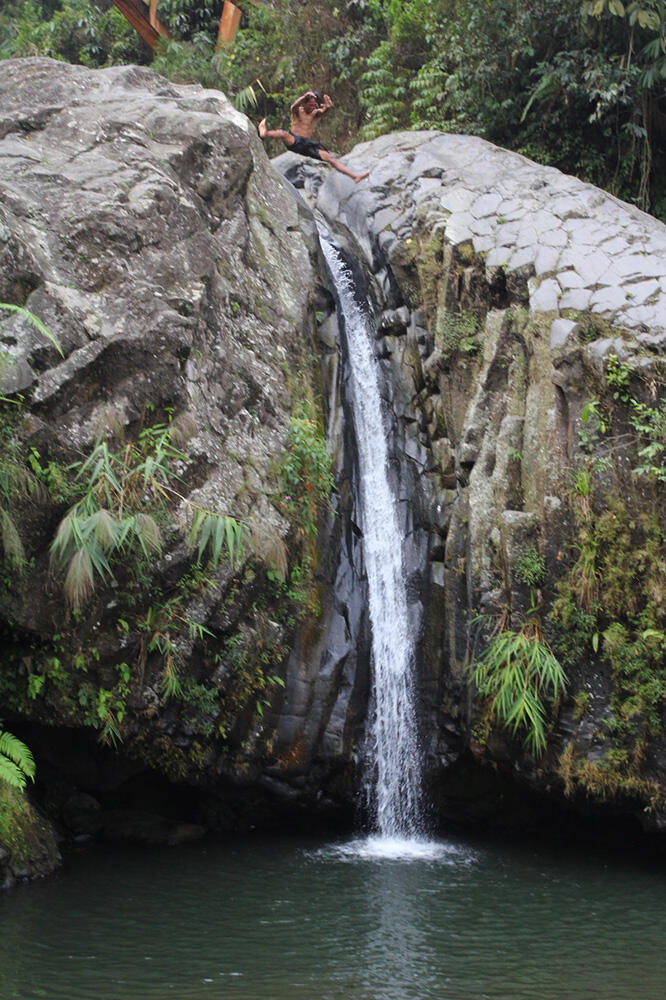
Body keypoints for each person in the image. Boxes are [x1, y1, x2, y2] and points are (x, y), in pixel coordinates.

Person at [258, 90, 369, 183]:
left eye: (314, 105)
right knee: (284, 134)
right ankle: (265, 133)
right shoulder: (298, 111)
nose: (312, 107)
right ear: (304, 103)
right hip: (294, 141)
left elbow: (325, 110)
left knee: (331, 158)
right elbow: (294, 106)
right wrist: (304, 97)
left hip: (307, 145)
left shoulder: (315, 113)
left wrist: (328, 105)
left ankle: (354, 176)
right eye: (310, 105)